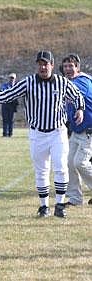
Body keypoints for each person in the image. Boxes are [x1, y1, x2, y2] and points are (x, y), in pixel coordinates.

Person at [0, 50, 85, 218]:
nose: (43, 67)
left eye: (46, 63)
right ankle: (44, 206)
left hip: (57, 132)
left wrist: (80, 110)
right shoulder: (28, 82)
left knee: (61, 167)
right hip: (37, 133)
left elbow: (77, 96)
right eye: (40, 64)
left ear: (52, 65)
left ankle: (60, 205)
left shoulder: (62, 82)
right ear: (37, 65)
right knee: (41, 170)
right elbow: (9, 94)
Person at [61, 54, 92, 207]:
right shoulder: (69, 82)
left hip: (89, 131)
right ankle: (75, 199)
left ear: (77, 67)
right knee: (69, 164)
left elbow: (70, 92)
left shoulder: (83, 81)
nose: (67, 69)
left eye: (70, 66)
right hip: (76, 131)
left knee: (80, 162)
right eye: (65, 66)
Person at [0, 73, 19, 137]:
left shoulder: (17, 86)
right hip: (5, 104)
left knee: (11, 120)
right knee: (5, 119)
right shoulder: (5, 85)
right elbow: (3, 92)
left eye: (13, 78)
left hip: (12, 105)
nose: (11, 79)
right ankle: (5, 133)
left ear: (15, 79)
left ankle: (10, 133)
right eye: (10, 78)